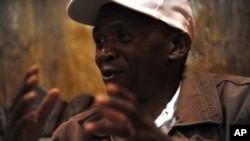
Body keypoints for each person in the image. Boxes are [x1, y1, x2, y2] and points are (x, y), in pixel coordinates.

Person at [2, 0, 250, 141]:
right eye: (99, 40)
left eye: (123, 36)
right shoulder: (75, 133)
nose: (104, 53)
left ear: (176, 46)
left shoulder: (239, 107)